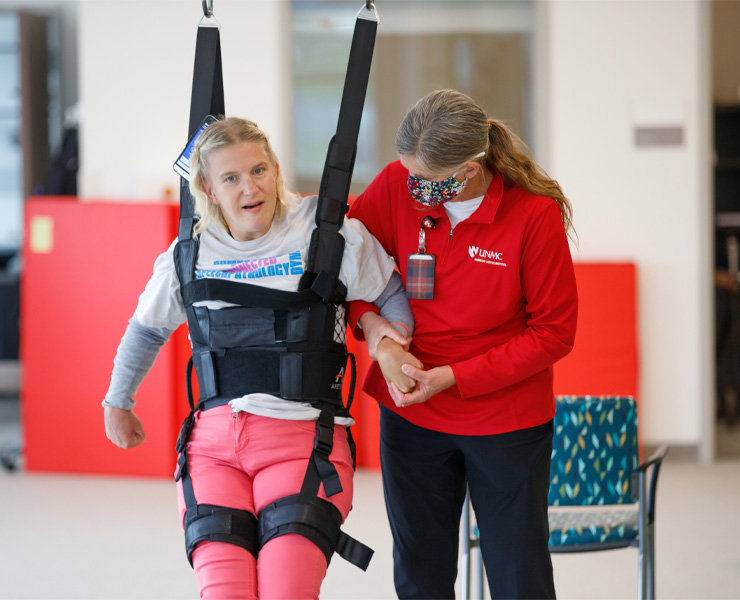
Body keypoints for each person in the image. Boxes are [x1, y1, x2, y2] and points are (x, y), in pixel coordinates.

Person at [101, 116, 418, 599]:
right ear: (207, 187)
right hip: (212, 452)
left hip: (304, 444)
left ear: (276, 170)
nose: (251, 187)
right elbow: (146, 329)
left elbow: (392, 293)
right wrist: (117, 401)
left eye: (259, 170)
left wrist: (394, 346)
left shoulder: (325, 232)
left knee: (286, 591)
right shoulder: (189, 253)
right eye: (231, 177)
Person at [347, 89, 578, 599]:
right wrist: (380, 339)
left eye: (426, 180)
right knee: (419, 574)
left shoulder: (532, 216)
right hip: (412, 415)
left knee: (519, 575)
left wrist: (455, 377)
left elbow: (555, 332)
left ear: (469, 171)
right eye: (408, 173)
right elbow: (350, 276)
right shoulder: (392, 187)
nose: (412, 187)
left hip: (506, 419)